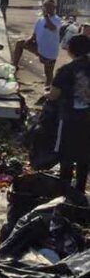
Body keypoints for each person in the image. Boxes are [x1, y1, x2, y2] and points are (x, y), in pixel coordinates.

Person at [47, 34, 90, 197]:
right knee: (84, 154)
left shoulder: (65, 70)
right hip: (88, 118)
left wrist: (47, 95)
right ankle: (79, 189)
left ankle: (64, 192)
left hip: (69, 118)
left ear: (71, 50)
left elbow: (54, 95)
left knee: (66, 154)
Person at [12, 0, 62, 89]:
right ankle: (14, 66)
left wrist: (46, 16)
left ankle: (47, 91)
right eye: (46, 6)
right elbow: (34, 34)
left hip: (50, 52)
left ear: (54, 8)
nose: (49, 9)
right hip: (38, 48)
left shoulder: (57, 19)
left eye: (51, 7)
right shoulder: (40, 20)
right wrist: (29, 41)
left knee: (48, 74)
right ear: (44, 7)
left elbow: (52, 27)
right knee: (20, 43)